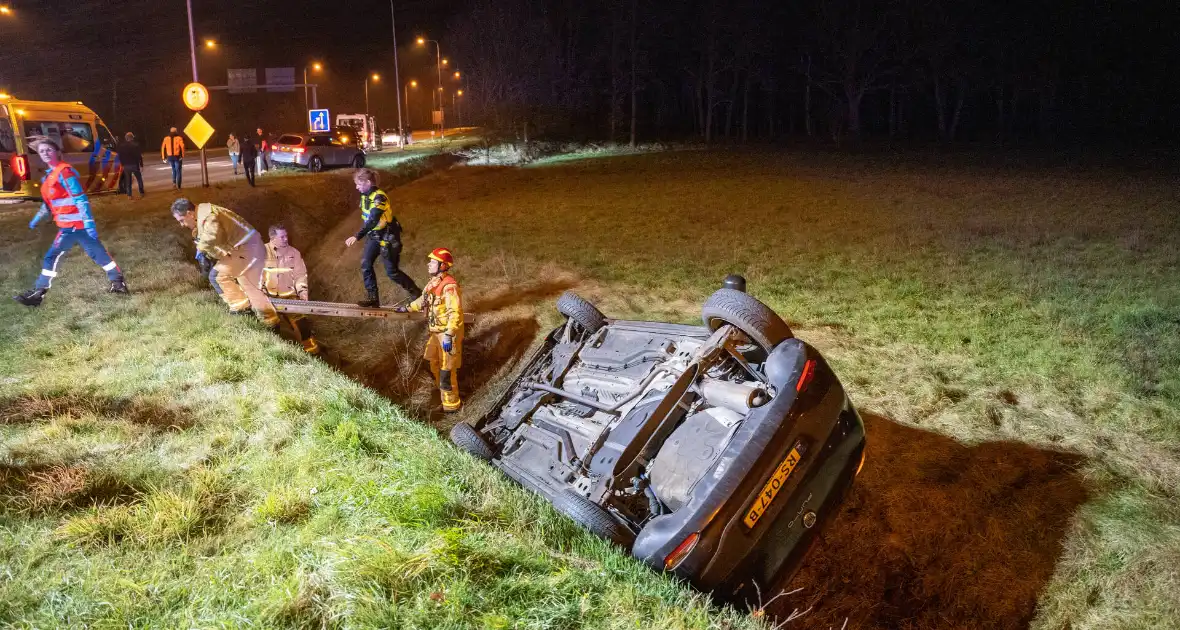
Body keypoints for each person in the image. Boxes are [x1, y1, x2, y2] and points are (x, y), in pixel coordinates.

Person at [13, 137, 129, 307]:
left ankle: (39, 293)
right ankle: (119, 284)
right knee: (99, 254)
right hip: (70, 226)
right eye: (41, 151)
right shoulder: (50, 176)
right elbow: (49, 204)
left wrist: (89, 223)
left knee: (52, 257)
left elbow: (80, 199)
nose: (45, 153)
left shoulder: (64, 172)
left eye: (48, 150)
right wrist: (36, 219)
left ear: (57, 152)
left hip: (75, 226)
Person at [170, 198, 278, 326]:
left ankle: (241, 312)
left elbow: (212, 235)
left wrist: (201, 250)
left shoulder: (207, 216)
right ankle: (271, 324)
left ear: (189, 213)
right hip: (246, 247)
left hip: (248, 248)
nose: (182, 225)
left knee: (217, 276)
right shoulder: (203, 214)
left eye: (182, 221)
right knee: (251, 288)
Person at [395, 248, 463, 413]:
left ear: (442, 265)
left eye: (432, 262)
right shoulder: (433, 283)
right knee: (430, 361)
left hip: (447, 334)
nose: (429, 264)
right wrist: (407, 308)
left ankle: (451, 407)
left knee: (447, 371)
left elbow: (456, 313)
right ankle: (442, 392)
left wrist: (449, 334)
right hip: (436, 333)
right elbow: (423, 300)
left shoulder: (449, 287)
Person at [343, 168, 420, 307]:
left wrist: (357, 236)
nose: (356, 187)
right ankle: (373, 299)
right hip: (374, 236)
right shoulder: (365, 196)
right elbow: (368, 220)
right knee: (366, 264)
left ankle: (416, 293)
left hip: (388, 237)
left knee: (392, 272)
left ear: (367, 182)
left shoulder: (380, 198)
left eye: (358, 184)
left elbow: (373, 220)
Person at [261, 224, 319, 354]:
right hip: (268, 297)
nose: (286, 239)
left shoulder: (294, 253)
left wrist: (302, 292)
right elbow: (256, 275)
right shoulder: (262, 252)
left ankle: (312, 353)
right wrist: (261, 292)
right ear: (272, 238)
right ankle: (275, 353)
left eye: (286, 235)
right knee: (271, 325)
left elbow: (300, 275)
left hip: (289, 296)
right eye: (282, 236)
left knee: (302, 325)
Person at [116, 132, 145, 199]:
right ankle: (141, 192)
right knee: (139, 179)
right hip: (134, 165)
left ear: (126, 138)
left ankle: (129, 195)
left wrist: (122, 164)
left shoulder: (122, 146)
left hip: (126, 165)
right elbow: (139, 156)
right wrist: (141, 165)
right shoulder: (136, 145)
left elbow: (120, 157)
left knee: (128, 180)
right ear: (132, 138)